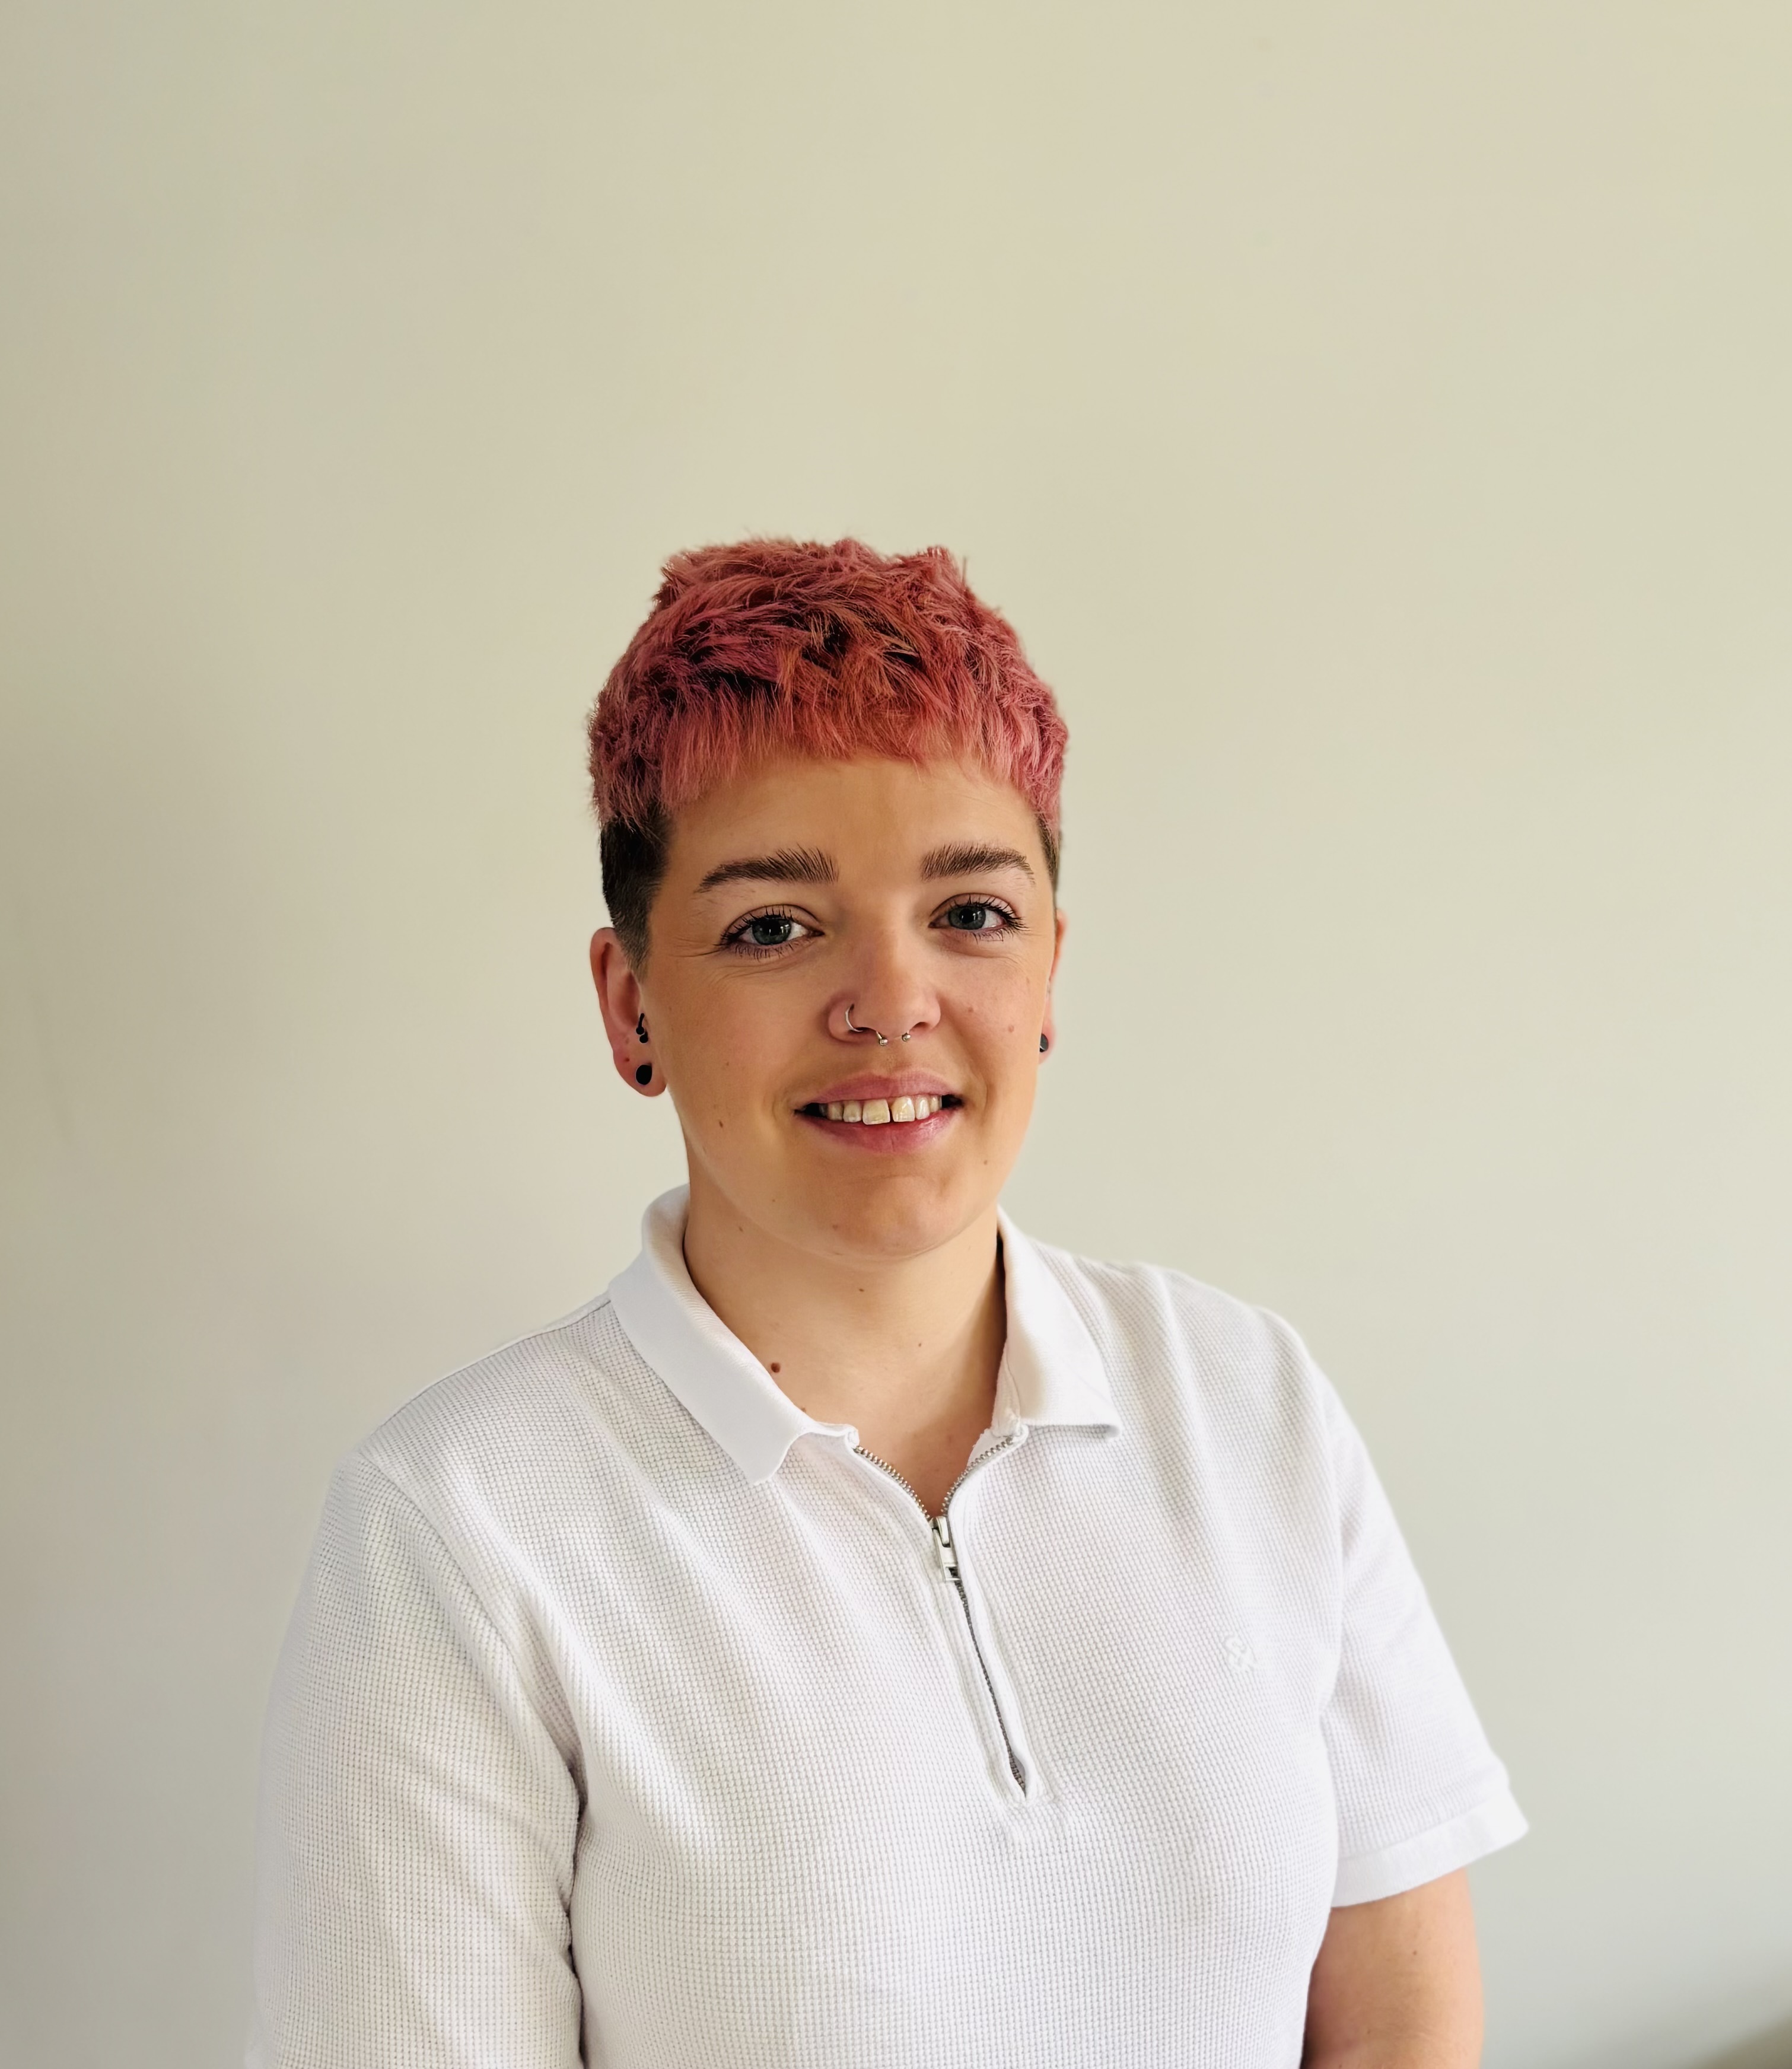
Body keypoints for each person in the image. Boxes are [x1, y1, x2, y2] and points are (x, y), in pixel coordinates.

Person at [249, 538, 1526, 2069]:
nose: (893, 1001)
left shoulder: (1248, 1398)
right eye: (773, 928)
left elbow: (1400, 2030)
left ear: (1051, 974)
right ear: (631, 1004)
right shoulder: (455, 1536)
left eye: (972, 912)